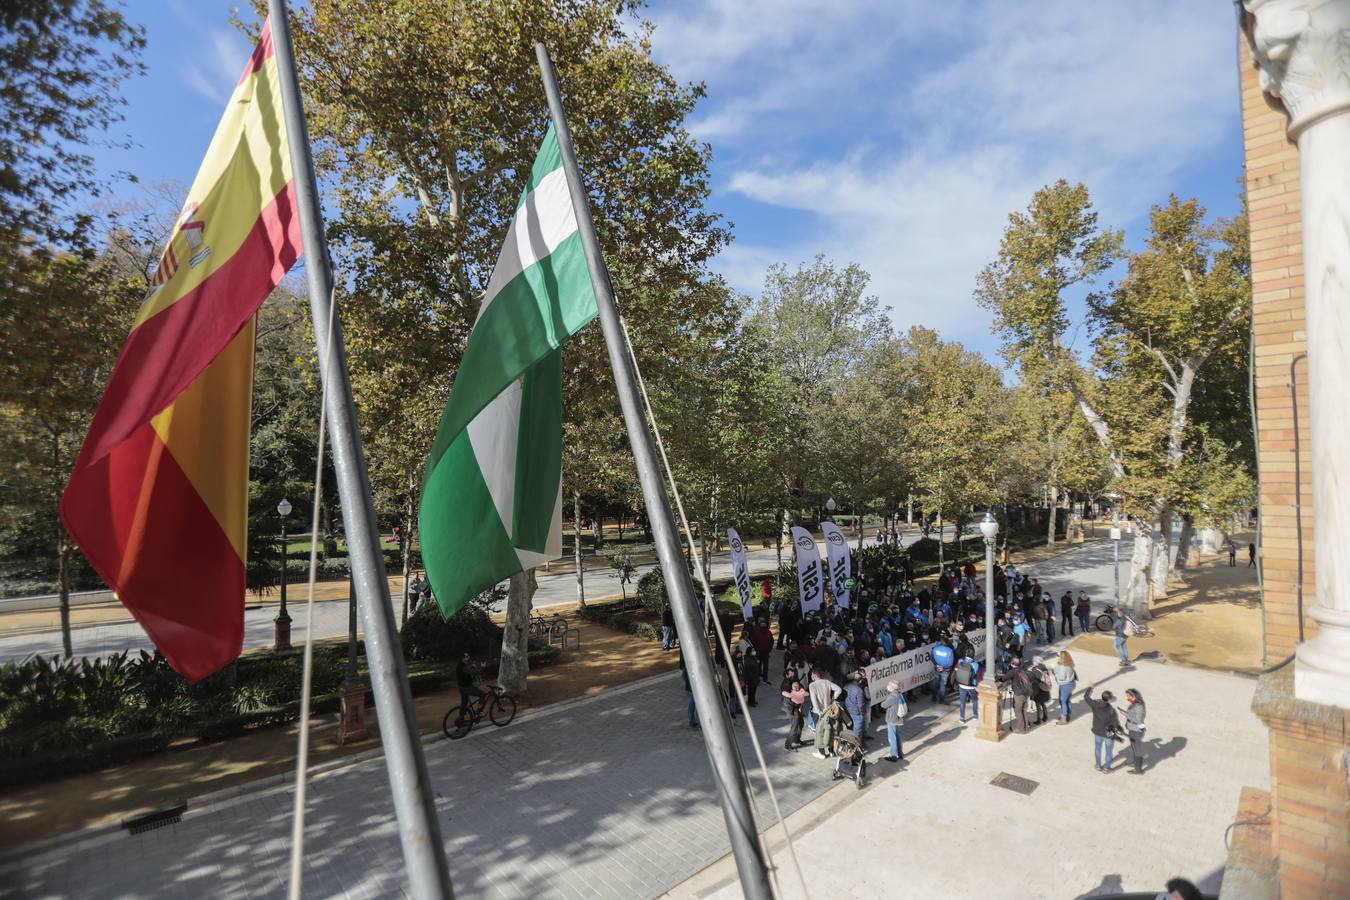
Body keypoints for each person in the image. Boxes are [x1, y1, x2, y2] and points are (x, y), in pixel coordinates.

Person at [1084, 686, 1121, 772]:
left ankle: (1098, 765)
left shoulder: (1095, 704)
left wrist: (1090, 688)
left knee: (1097, 748)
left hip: (1097, 731)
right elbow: (1115, 723)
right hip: (1108, 734)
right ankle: (1106, 768)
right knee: (1108, 751)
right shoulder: (1111, 710)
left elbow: (1086, 697)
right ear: (1109, 700)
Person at [879, 679, 907, 762]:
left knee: (892, 738)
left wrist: (883, 702)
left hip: (892, 719)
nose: (887, 686)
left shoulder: (892, 696)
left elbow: (883, 705)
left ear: (893, 688)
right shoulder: (899, 694)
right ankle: (900, 754)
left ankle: (893, 756)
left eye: (889, 685)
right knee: (898, 737)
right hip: (898, 719)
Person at [807, 667, 841, 736]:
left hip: (817, 712)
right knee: (828, 730)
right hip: (828, 710)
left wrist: (819, 711)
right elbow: (839, 689)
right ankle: (829, 745)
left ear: (814, 675)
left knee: (819, 732)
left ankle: (821, 746)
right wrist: (832, 699)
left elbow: (814, 700)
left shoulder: (812, 685)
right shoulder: (827, 682)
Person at [1121, 688, 1147, 774]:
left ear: (1134, 696)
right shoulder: (1135, 704)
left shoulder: (1139, 706)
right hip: (1132, 729)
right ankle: (1135, 763)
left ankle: (1138, 769)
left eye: (1128, 696)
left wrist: (1126, 714)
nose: (1127, 697)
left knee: (1137, 749)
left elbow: (1138, 720)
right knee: (1134, 747)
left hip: (1136, 730)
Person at [1010, 656, 1034, 734]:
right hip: (1026, 693)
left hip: (1019, 694)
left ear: (1013, 664)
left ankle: (1021, 729)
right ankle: (1025, 727)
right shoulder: (1025, 670)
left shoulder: (1014, 671)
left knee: (1018, 711)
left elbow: (1004, 678)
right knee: (1024, 710)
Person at [781, 679, 807, 750]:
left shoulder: (798, 689)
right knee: (794, 727)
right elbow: (788, 704)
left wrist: (800, 707)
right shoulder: (788, 693)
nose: (797, 688)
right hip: (791, 710)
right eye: (795, 687)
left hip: (796, 708)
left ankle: (796, 739)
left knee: (801, 723)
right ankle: (787, 744)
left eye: (798, 687)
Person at [955, 651, 980, 723]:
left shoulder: (960, 661)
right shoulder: (975, 664)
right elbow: (975, 674)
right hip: (971, 686)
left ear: (966, 655)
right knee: (975, 700)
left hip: (961, 684)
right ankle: (975, 715)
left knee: (962, 702)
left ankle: (962, 718)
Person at [1053, 650, 1077, 723]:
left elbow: (1061, 677)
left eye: (1059, 656)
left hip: (1065, 685)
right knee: (1067, 700)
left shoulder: (1063, 667)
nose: (1058, 658)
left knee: (1063, 701)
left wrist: (1055, 673)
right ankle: (1068, 714)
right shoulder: (1070, 663)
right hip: (1071, 684)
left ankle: (1064, 718)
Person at [843, 670, 868, 739]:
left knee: (852, 726)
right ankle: (855, 742)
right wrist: (862, 712)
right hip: (856, 712)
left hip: (848, 709)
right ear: (860, 681)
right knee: (858, 729)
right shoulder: (859, 691)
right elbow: (861, 705)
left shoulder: (846, 686)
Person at [1028, 657, 1052, 725]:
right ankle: (1045, 717)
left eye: (1034, 661)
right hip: (1045, 689)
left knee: (1038, 705)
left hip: (1038, 690)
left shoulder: (1035, 670)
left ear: (1036, 662)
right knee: (1043, 703)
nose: (1033, 662)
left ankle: (1039, 719)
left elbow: (1034, 681)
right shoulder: (1044, 668)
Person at [680, 649, 698, 728]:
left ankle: (693, 720)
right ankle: (692, 721)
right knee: (692, 705)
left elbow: (683, 676)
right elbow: (684, 676)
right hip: (691, 689)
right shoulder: (689, 667)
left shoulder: (688, 666)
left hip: (691, 688)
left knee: (693, 705)